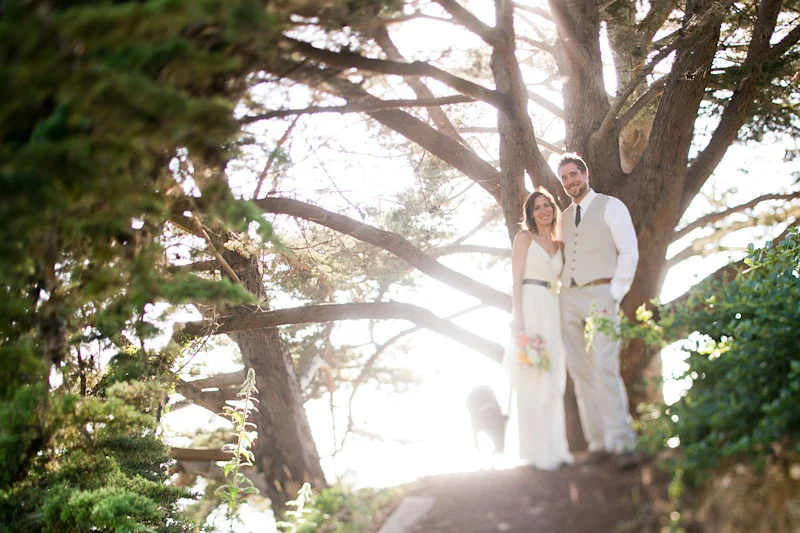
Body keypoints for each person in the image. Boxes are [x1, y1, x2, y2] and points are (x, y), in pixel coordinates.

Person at [557, 153, 640, 470]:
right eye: (564, 178)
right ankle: (600, 442)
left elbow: (629, 251)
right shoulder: (563, 217)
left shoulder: (611, 206)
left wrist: (614, 294)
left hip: (601, 291)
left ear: (586, 173)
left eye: (573, 175)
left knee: (605, 366)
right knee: (580, 373)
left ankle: (623, 442)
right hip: (568, 298)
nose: (570, 182)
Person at [504, 188, 573, 470]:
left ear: (553, 209)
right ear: (530, 214)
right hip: (530, 309)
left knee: (554, 378)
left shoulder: (560, 244)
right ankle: (537, 452)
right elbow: (516, 280)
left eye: (547, 205)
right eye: (537, 207)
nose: (543, 210)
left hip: (553, 310)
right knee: (534, 376)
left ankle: (557, 449)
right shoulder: (524, 239)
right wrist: (519, 321)